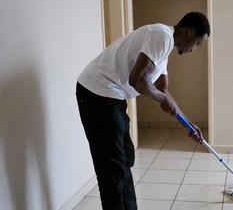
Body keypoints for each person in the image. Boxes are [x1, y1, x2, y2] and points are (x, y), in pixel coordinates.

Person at [76, 12, 210, 210]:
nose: (194, 50)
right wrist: (161, 99)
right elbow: (137, 79)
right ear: (191, 33)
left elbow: (163, 89)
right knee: (112, 168)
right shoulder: (161, 36)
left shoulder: (165, 47)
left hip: (112, 97)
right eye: (198, 44)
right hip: (97, 94)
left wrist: (187, 124)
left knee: (125, 159)